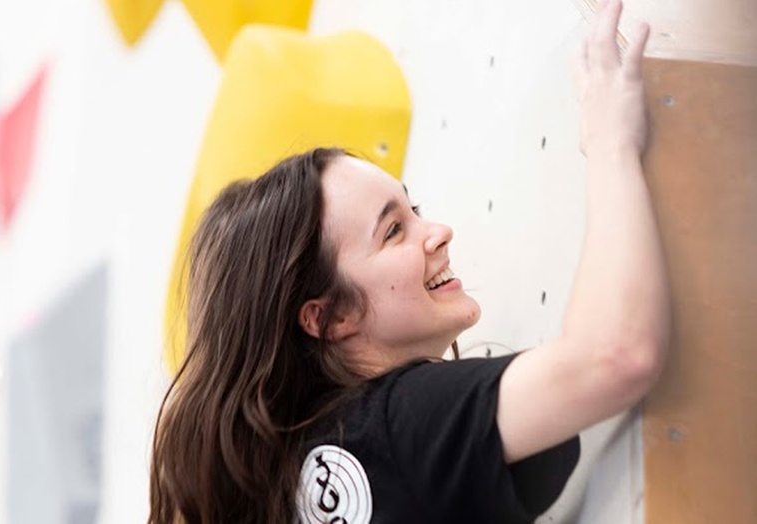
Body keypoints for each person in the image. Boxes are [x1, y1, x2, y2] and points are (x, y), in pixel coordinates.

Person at [148, 0, 670, 522]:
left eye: (413, 209)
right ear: (329, 317)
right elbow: (615, 356)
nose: (438, 233)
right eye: (394, 229)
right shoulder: (395, 428)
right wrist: (610, 142)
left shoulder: (308, 468)